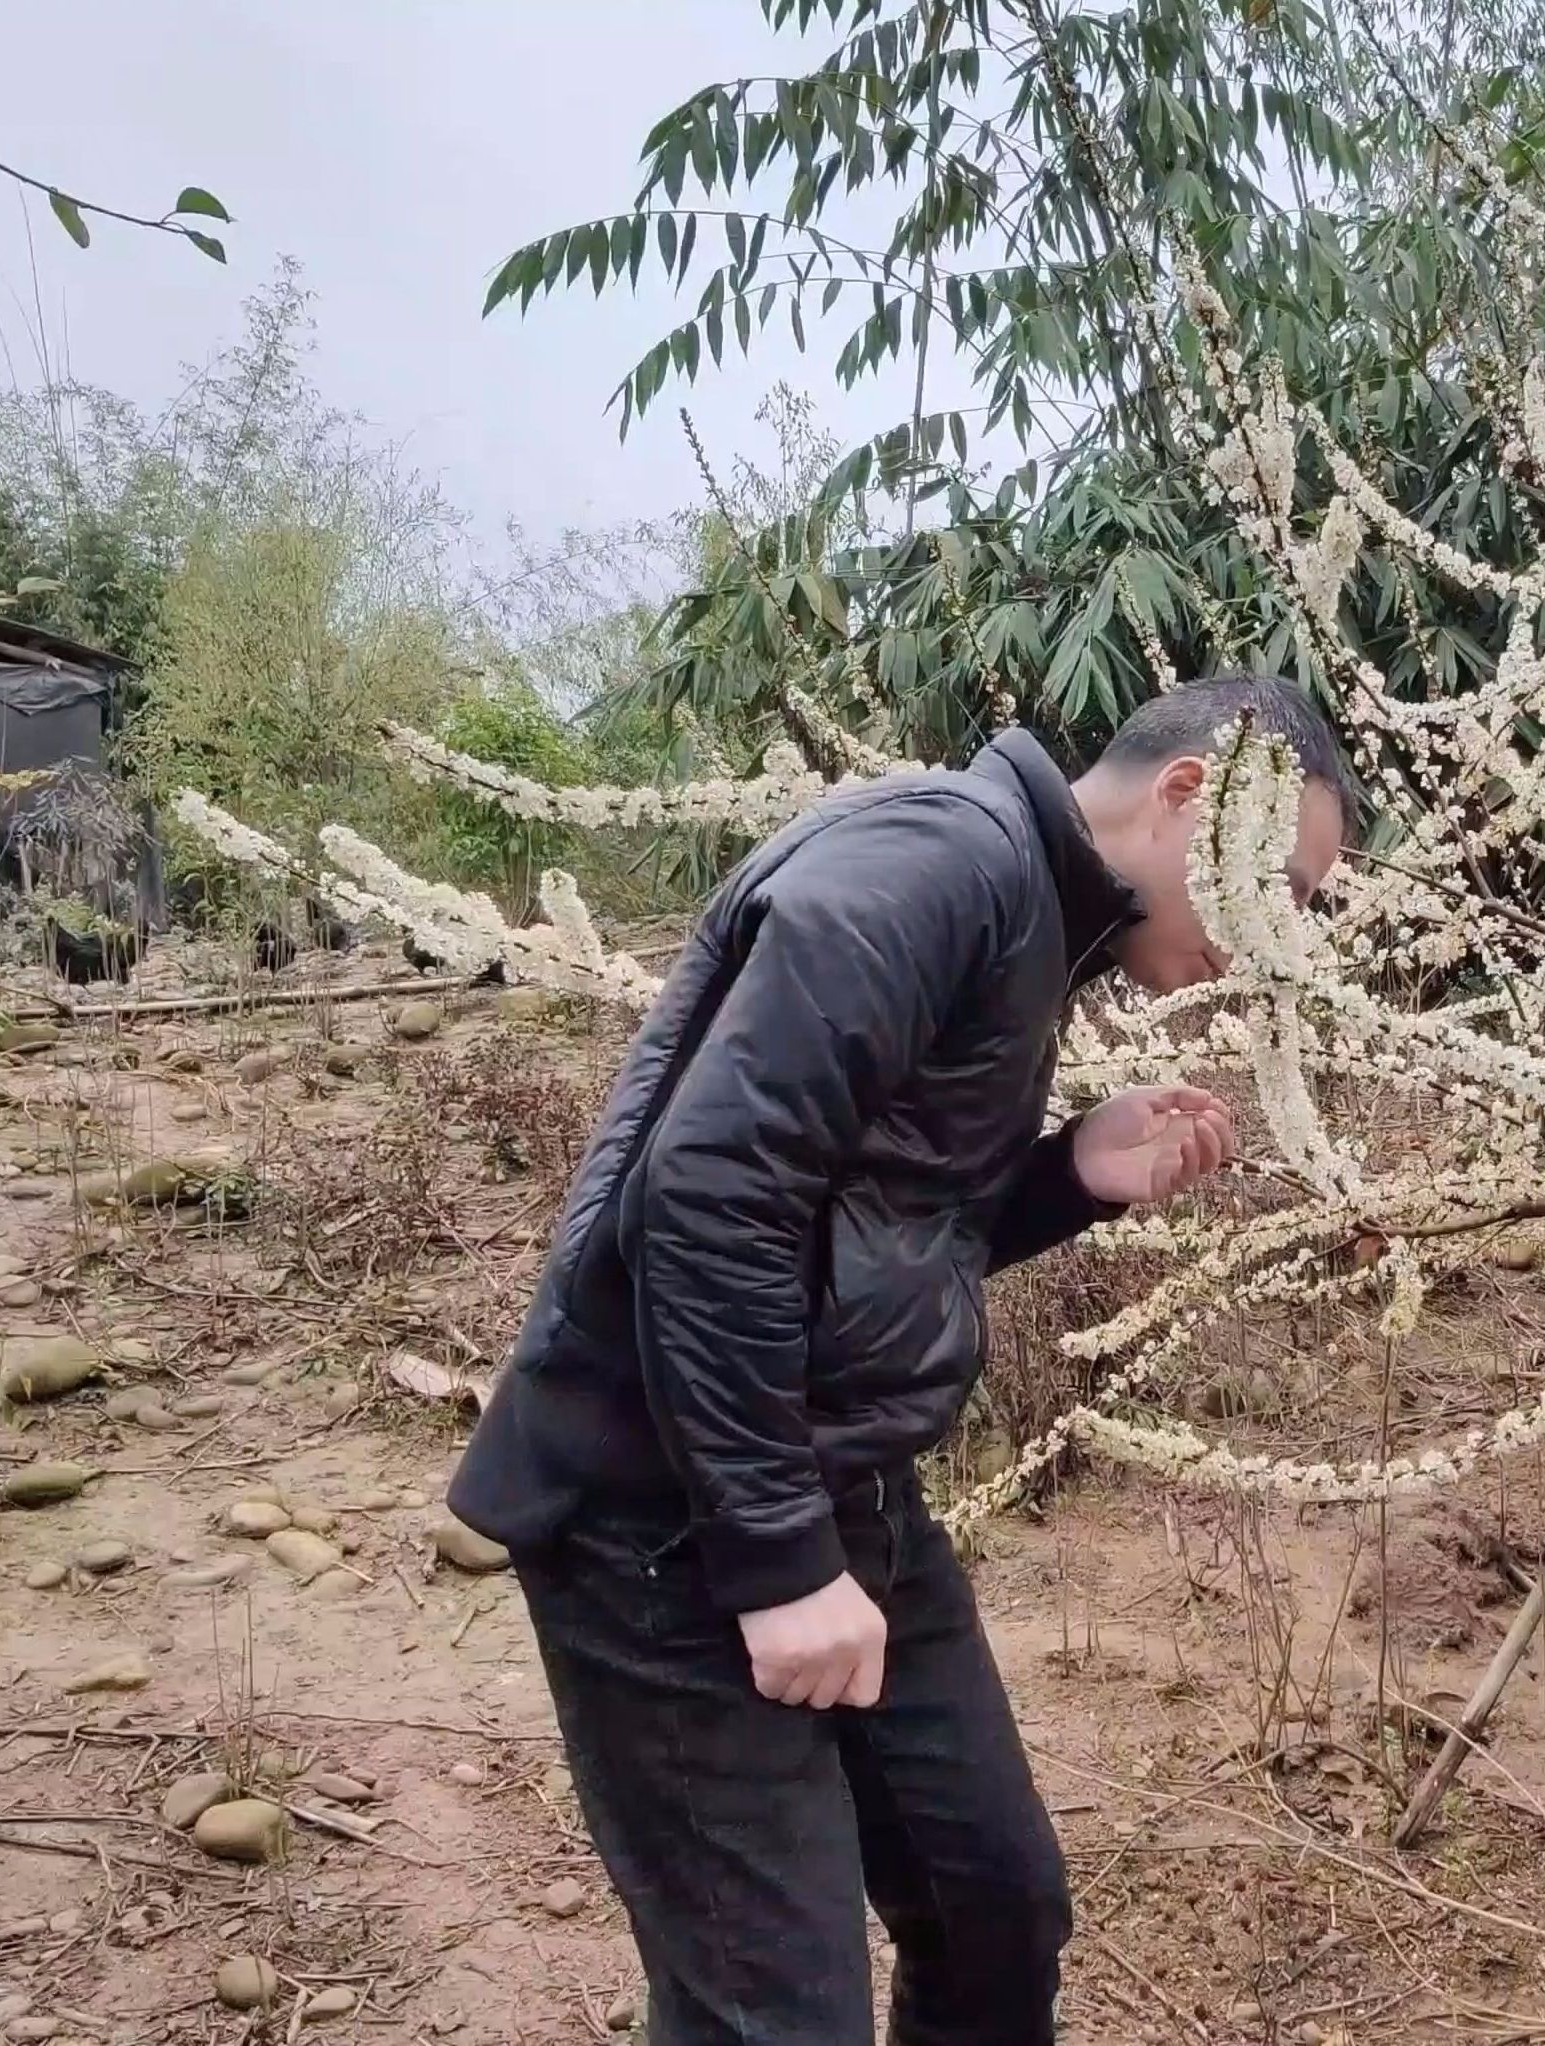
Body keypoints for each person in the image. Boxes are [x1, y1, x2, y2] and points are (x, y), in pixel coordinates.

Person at [449, 676, 1356, 2046]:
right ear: (1188, 796)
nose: (1281, 937)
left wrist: (1067, 1179)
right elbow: (706, 1198)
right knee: (774, 2012)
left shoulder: (1032, 919)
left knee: (994, 1907)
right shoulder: (937, 862)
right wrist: (777, 1562)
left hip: (838, 1483)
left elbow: (856, 1238)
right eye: (1280, 886)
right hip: (661, 1515)